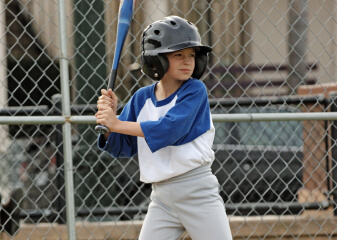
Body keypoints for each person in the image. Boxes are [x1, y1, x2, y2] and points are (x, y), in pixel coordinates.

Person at [96, 15, 232, 240]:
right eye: (178, 55)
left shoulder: (194, 91)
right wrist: (109, 121)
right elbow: (121, 145)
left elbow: (170, 130)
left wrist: (117, 122)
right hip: (161, 198)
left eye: (191, 55)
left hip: (196, 192)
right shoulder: (141, 98)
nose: (188, 61)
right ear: (156, 60)